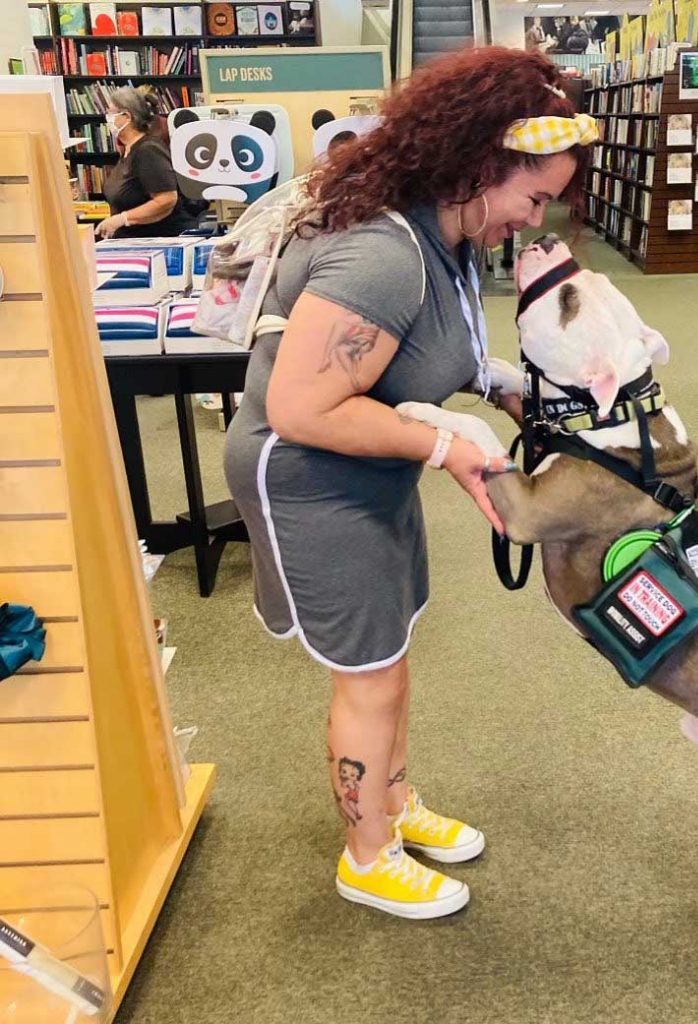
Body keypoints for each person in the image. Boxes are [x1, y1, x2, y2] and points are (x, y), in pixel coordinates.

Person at [223, 47, 596, 921]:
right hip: (310, 473)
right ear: (478, 167)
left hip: (369, 460)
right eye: (533, 197)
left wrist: (496, 381)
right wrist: (444, 447)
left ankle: (391, 802)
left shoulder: (449, 236)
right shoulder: (384, 254)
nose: (536, 219)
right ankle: (367, 854)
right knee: (369, 673)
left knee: (389, 656)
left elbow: (428, 349)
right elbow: (302, 407)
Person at [94, 87, 199, 240]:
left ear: (127, 116)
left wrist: (122, 219)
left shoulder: (148, 150)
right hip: (135, 239)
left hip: (161, 239)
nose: (107, 117)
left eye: (110, 112)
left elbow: (167, 199)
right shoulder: (127, 150)